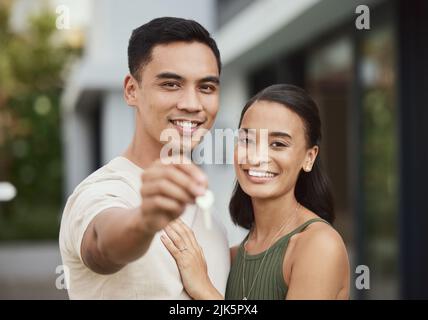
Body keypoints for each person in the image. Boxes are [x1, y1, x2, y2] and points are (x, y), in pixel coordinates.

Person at [59, 17, 230, 299]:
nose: (191, 104)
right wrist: (144, 221)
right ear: (131, 90)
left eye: (206, 87)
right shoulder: (101, 192)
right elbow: (102, 246)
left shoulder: (215, 223)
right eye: (171, 85)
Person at [162, 84, 350, 300]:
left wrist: (204, 290)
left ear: (309, 158)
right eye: (247, 140)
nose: (257, 156)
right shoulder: (230, 257)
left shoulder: (319, 246)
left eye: (278, 144)